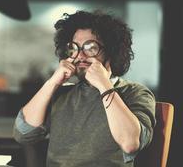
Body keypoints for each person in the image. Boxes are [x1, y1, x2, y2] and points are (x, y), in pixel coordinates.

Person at [13, 10, 156, 167]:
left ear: (111, 51)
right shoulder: (62, 93)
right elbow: (23, 134)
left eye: (90, 47)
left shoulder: (135, 92)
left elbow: (130, 143)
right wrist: (52, 82)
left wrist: (104, 84)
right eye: (75, 47)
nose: (80, 55)